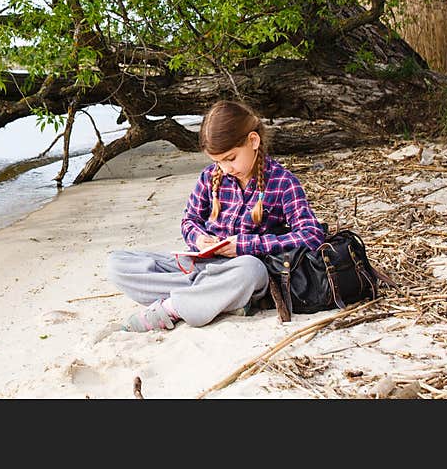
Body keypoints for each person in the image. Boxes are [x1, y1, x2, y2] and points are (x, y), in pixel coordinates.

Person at [106, 100, 325, 332]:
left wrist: (246, 245)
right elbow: (189, 221)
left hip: (243, 271)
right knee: (117, 264)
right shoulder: (210, 177)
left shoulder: (283, 182)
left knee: (251, 271)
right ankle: (213, 298)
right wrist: (199, 239)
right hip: (203, 266)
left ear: (253, 141)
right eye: (217, 161)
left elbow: (312, 235)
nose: (226, 168)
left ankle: (174, 307)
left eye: (230, 158)